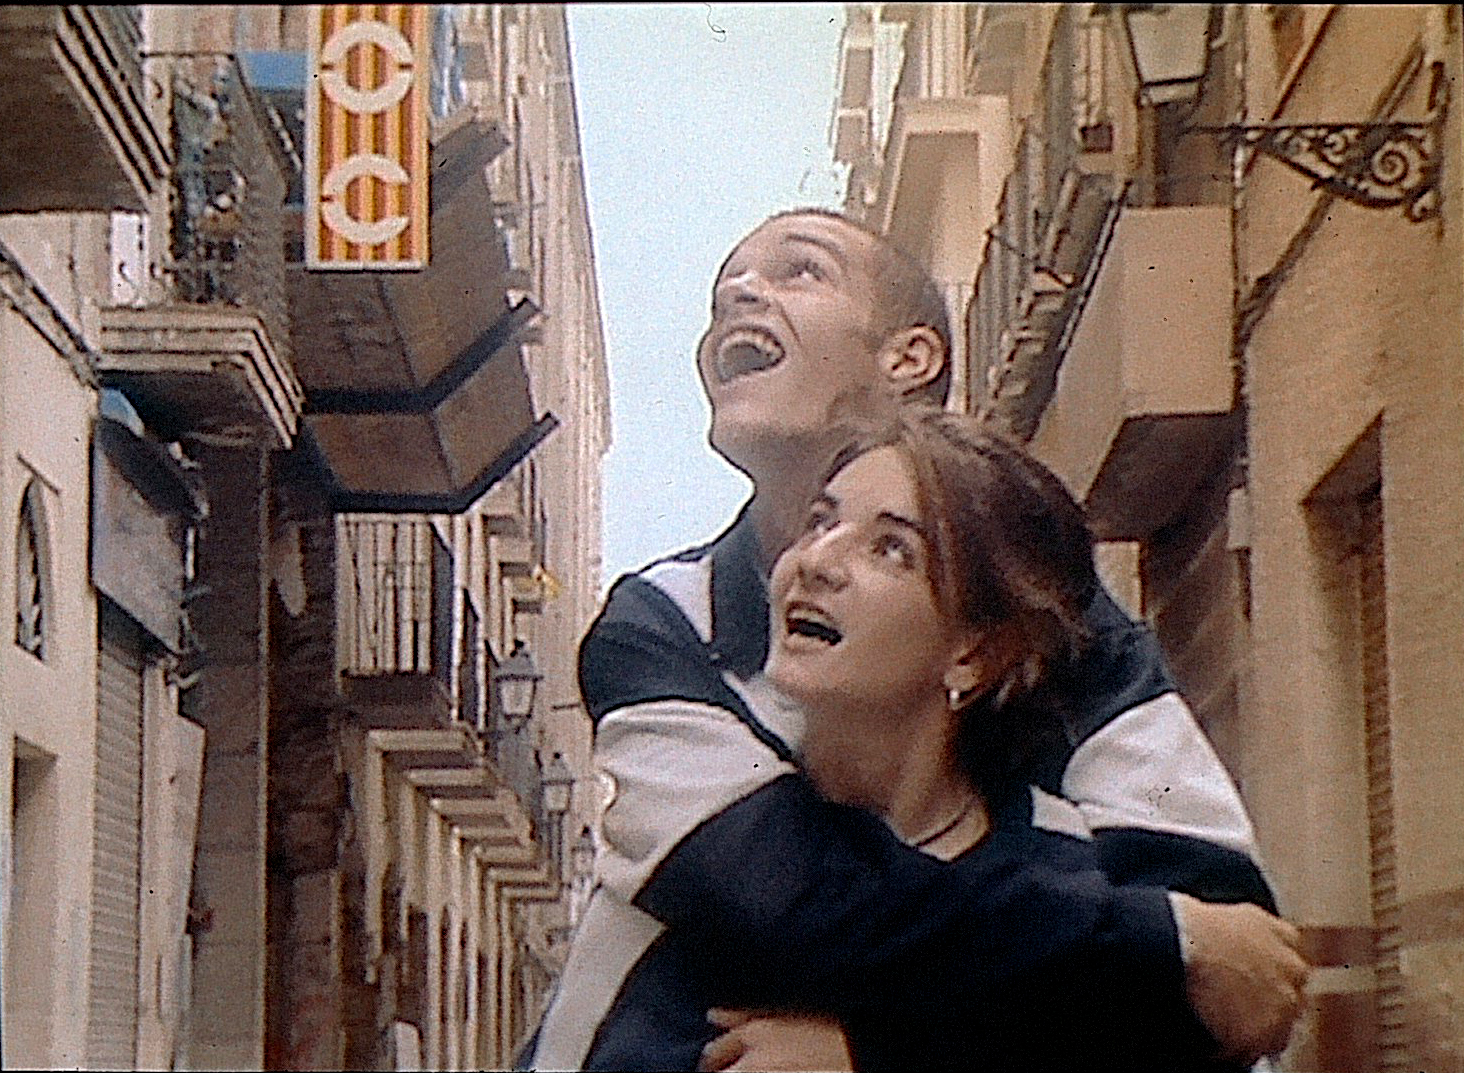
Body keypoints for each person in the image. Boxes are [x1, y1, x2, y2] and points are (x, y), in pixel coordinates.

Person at [525, 209, 1305, 1070]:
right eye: (727, 284)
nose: (738, 291)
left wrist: (876, 1053)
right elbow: (784, 897)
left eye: (800, 270)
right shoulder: (662, 621)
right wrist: (1157, 937)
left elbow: (1230, 978)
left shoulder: (1068, 629)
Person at [698, 406, 1262, 1069]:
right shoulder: (717, 843)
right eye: (821, 522)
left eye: (892, 549)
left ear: (974, 652)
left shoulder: (1076, 876)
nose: (817, 561)